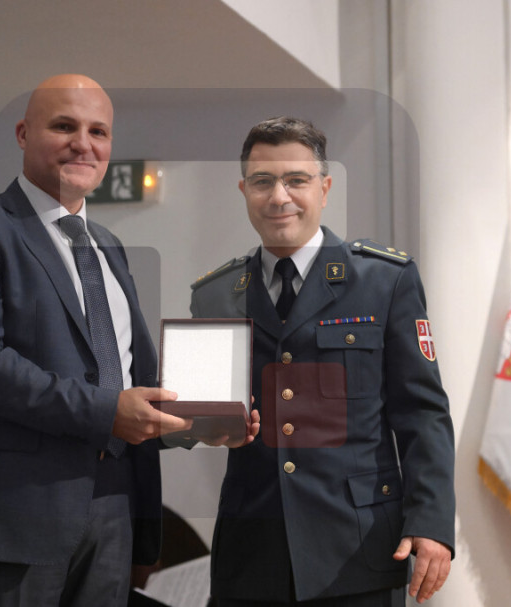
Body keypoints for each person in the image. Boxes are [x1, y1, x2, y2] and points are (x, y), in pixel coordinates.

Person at [0, 73, 191, 607]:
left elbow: (125, 372)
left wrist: (199, 419)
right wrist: (107, 412)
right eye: (64, 126)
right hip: (16, 507)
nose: (83, 144)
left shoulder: (109, 246)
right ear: (24, 134)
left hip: (116, 502)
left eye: (98, 131)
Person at [190, 116, 455, 606]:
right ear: (244, 190)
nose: (279, 197)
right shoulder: (216, 295)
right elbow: (193, 415)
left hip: (356, 551)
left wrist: (431, 522)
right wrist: (187, 425)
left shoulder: (384, 280)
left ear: (325, 188)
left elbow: (422, 413)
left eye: (297, 179)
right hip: (251, 556)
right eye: (263, 181)